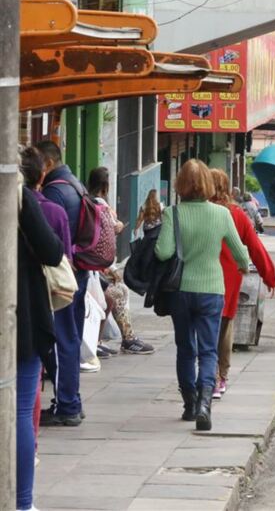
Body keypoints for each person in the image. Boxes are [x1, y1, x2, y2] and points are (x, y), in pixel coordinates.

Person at [157, 159, 249, 431]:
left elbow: (162, 252)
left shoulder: (172, 214)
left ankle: (189, 404)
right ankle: (205, 405)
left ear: (180, 185)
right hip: (212, 291)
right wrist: (242, 266)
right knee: (208, 351)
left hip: (181, 292)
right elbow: (240, 254)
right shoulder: (222, 215)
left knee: (186, 349)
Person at [17, 155, 65, 510]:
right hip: (22, 317)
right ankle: (22, 502)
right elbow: (52, 251)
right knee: (20, 408)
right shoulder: (19, 197)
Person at [210, 169, 275, 398]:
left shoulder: (200, 211)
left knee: (201, 327)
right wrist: (269, 277)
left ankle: (206, 376)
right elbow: (255, 248)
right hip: (228, 278)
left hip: (200, 278)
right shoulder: (236, 215)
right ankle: (221, 377)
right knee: (225, 327)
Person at [34, 139, 87, 426]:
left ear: (49, 164)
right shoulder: (75, 184)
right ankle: (72, 401)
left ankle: (66, 404)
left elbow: (52, 241)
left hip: (59, 278)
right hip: (76, 273)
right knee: (71, 338)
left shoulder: (54, 195)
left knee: (60, 341)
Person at [86, 167, 155, 358]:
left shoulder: (88, 203)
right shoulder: (100, 206)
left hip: (94, 266)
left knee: (118, 291)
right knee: (117, 292)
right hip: (94, 267)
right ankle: (124, 339)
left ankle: (125, 338)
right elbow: (102, 241)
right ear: (106, 186)